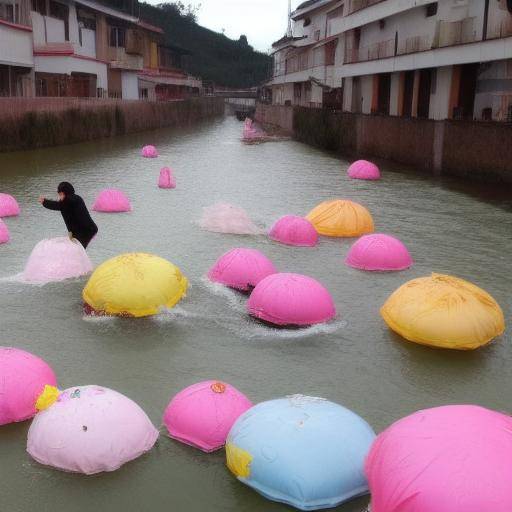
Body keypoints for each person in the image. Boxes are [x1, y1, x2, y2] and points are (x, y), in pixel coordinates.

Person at [39, 182, 98, 249]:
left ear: (65, 193)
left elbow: (57, 206)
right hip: (87, 229)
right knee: (77, 250)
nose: (60, 197)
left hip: (84, 231)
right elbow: (61, 206)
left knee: (77, 251)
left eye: (61, 194)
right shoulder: (77, 198)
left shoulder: (69, 200)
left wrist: (45, 202)